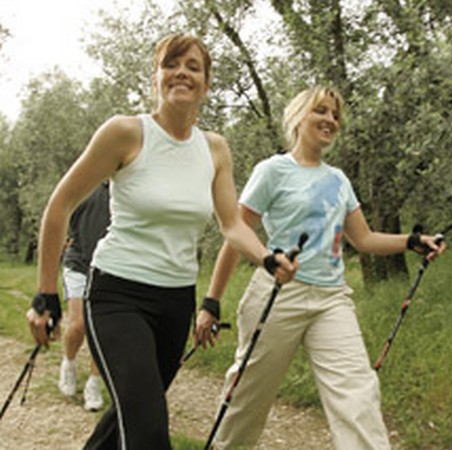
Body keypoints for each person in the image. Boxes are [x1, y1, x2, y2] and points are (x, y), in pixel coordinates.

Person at [26, 33, 296, 450]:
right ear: (156, 76)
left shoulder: (216, 149)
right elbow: (59, 206)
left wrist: (266, 258)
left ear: (207, 83)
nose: (182, 73)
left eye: (193, 67)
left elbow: (231, 224)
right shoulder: (125, 133)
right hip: (117, 295)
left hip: (175, 301)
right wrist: (46, 293)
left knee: (129, 418)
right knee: (150, 429)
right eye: (172, 64)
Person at [195, 85, 447, 450]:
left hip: (331, 299)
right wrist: (211, 302)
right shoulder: (273, 171)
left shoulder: (339, 179)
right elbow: (237, 234)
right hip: (279, 295)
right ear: (299, 116)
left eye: (335, 115)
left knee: (357, 395)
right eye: (322, 111)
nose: (330, 120)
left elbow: (364, 239)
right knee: (247, 399)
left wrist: (412, 241)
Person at [59, 181, 109, 411]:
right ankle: (68, 363)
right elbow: (60, 215)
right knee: (78, 324)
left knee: (100, 330)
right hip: (77, 263)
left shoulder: (126, 187)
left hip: (108, 267)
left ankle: (94, 383)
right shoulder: (84, 183)